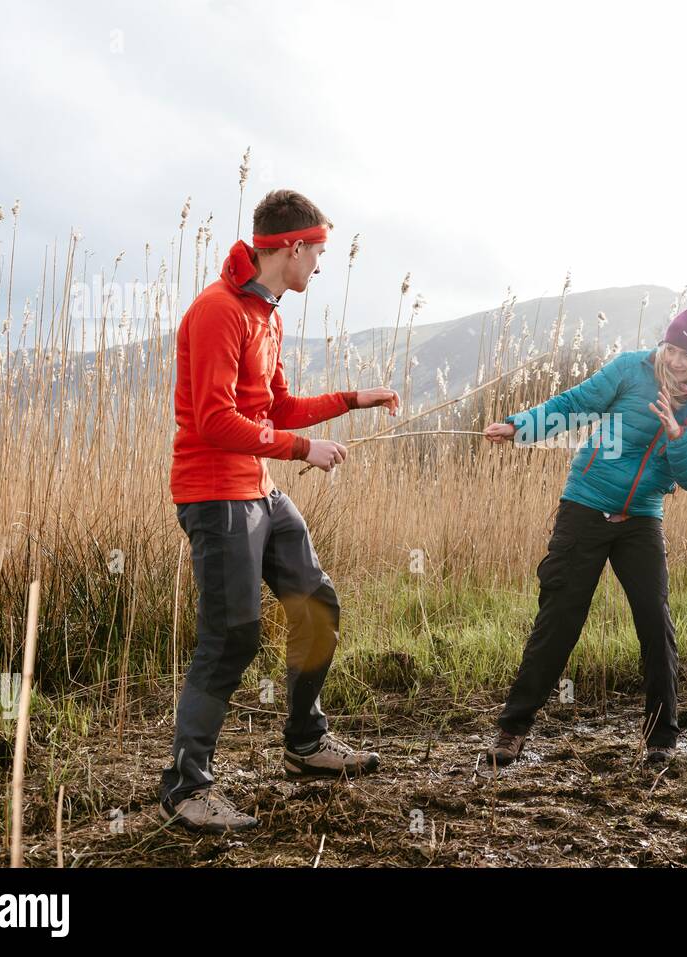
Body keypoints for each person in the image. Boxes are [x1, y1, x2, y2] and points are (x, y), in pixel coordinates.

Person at [161, 189, 399, 834]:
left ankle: (304, 744)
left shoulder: (268, 313)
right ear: (292, 247)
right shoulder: (217, 312)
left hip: (259, 489)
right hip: (215, 494)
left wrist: (355, 399)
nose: (321, 265)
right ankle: (187, 788)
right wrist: (301, 450)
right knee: (233, 635)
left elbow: (279, 407)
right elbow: (214, 420)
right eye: (318, 252)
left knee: (316, 601)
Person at [481, 303, 687, 767]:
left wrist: (678, 436)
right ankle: (512, 729)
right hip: (586, 505)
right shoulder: (630, 370)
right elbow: (575, 405)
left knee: (655, 623)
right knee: (560, 617)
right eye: (672, 347)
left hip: (641, 517)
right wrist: (521, 426)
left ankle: (661, 739)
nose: (676, 360)